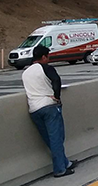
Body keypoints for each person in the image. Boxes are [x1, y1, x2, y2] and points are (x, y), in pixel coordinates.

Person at [22, 45, 76, 177]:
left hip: (34, 109)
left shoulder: (25, 73)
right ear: (43, 57)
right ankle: (60, 169)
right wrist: (57, 97)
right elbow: (56, 80)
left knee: (50, 139)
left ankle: (65, 163)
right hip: (49, 106)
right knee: (57, 138)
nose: (49, 59)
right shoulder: (46, 68)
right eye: (48, 56)